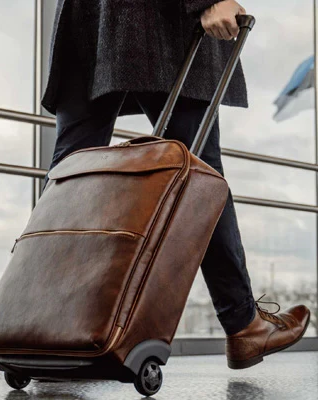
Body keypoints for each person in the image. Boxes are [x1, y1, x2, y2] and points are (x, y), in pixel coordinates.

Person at [40, 0, 310, 369]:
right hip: (153, 21)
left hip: (87, 19)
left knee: (70, 173)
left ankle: (43, 327)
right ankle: (244, 324)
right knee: (199, 172)